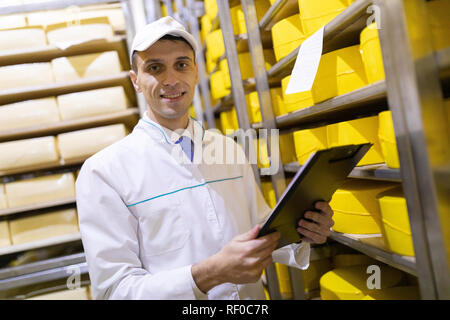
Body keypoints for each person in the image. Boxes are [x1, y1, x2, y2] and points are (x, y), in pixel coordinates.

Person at [76, 16, 335, 300]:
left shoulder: (229, 150)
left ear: (196, 72)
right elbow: (115, 292)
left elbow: (261, 233)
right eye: (155, 68)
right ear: (136, 81)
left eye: (182, 64)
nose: (172, 79)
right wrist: (210, 273)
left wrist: (302, 233)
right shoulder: (104, 172)